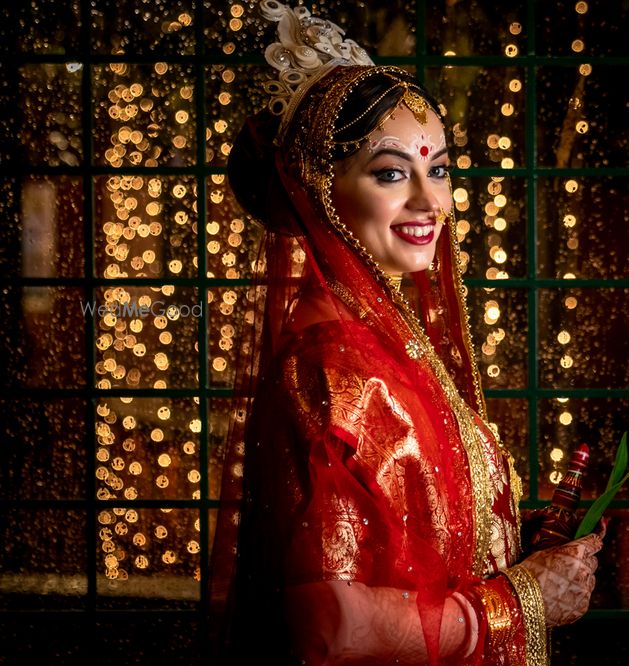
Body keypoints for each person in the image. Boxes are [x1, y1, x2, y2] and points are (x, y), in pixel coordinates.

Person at [210, 3, 605, 664]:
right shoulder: (333, 369)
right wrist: (521, 600)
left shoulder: (388, 341)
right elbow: (329, 624)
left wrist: (515, 547)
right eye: (392, 173)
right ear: (320, 189)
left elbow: (410, 536)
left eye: (440, 169)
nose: (430, 201)